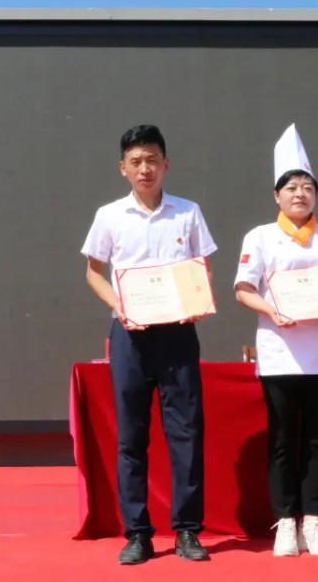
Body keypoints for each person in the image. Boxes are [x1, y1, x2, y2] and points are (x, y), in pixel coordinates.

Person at [81, 124, 216, 565]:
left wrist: (197, 300)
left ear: (166, 164)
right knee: (131, 437)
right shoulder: (109, 216)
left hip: (177, 333)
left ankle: (188, 531)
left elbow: (201, 267)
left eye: (152, 160)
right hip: (130, 335)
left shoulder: (187, 212)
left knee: (186, 433)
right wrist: (118, 305)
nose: (145, 169)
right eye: (136, 161)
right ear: (123, 168)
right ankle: (137, 532)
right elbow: (93, 272)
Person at [234, 124, 318, 557]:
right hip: (280, 352)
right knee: (281, 440)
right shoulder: (260, 237)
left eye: (308, 188)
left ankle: (313, 521)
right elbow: (243, 289)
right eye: (291, 188)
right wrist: (274, 311)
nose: (300, 194)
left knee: (316, 439)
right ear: (277, 196)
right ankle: (285, 522)